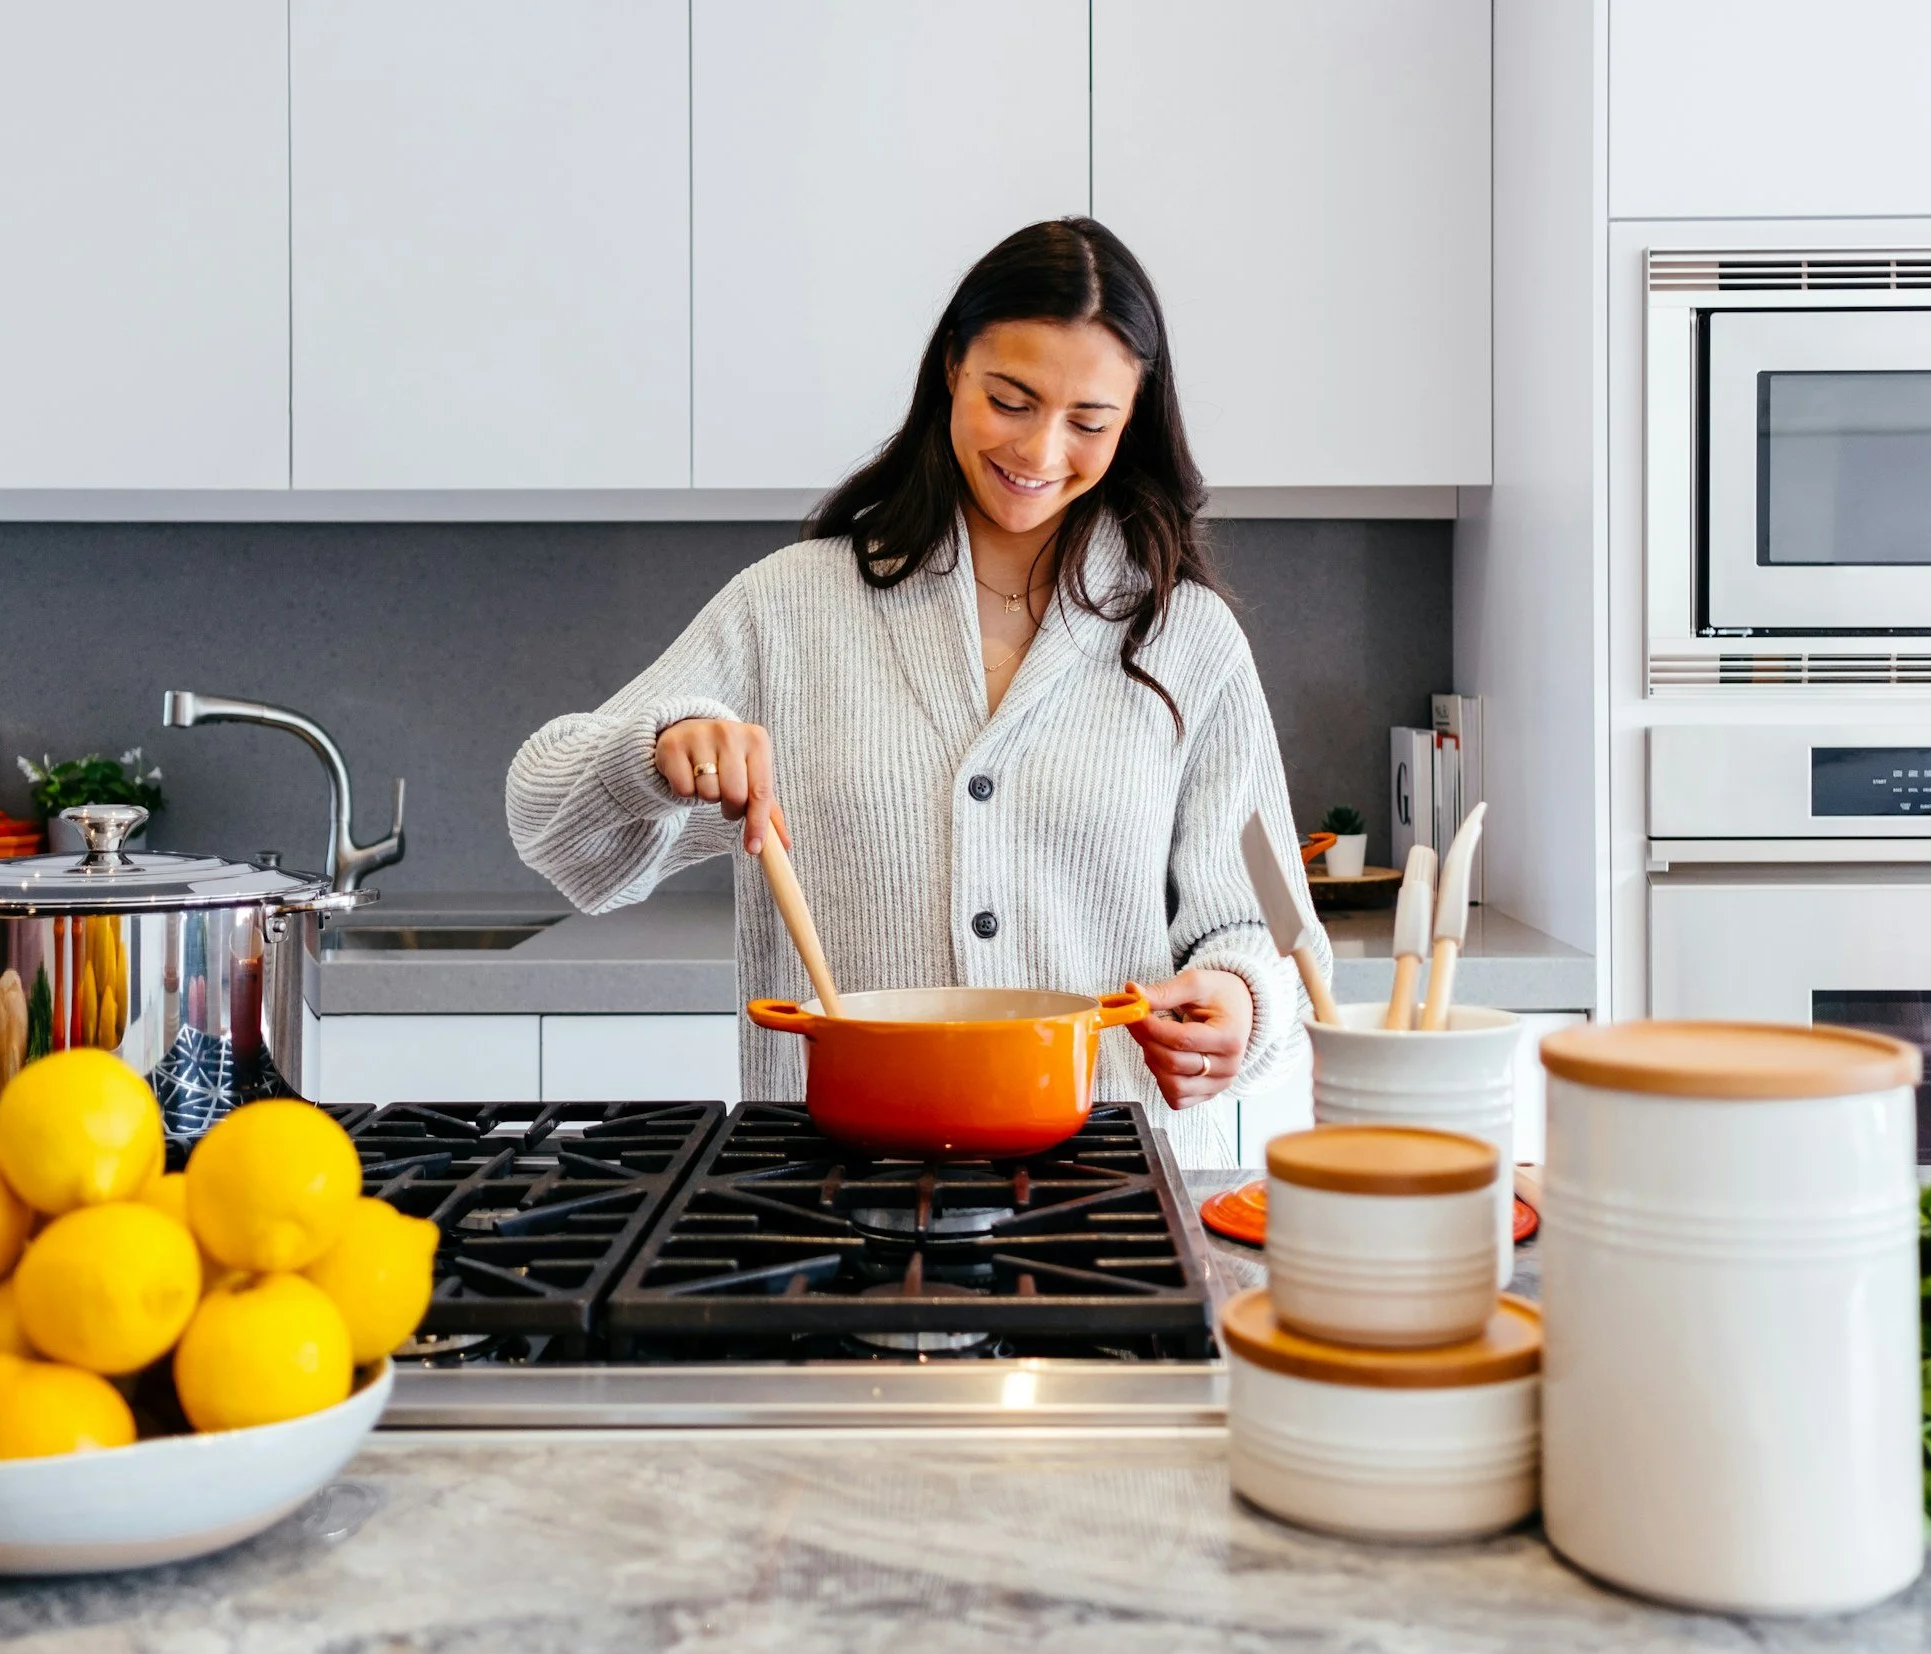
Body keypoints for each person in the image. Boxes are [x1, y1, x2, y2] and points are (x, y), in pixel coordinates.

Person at [506, 217, 1325, 1165]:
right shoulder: (794, 606)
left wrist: (1237, 999)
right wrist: (655, 753)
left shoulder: (1186, 637)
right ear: (950, 369)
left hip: (1101, 1197)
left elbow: (1263, 926)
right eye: (1010, 399)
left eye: (1089, 421)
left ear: (1134, 417)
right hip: (825, 1194)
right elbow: (548, 824)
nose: (1042, 449)